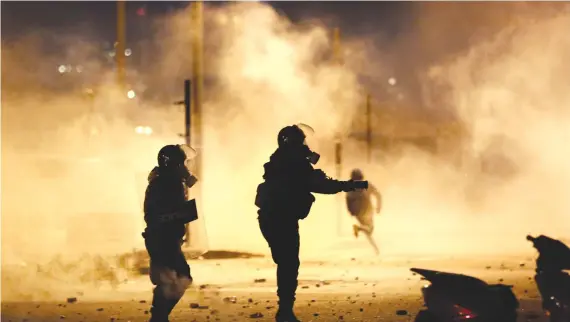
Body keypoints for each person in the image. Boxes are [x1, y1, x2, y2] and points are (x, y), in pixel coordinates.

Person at [255, 124, 368, 322]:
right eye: (300, 142)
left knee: (286, 263)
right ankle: (285, 311)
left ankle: (285, 309)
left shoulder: (280, 160)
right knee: (289, 264)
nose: (304, 146)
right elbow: (321, 185)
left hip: (271, 219)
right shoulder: (293, 163)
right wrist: (348, 185)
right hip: (282, 219)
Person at [142, 144, 199, 322]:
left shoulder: (168, 181)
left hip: (166, 237)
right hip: (162, 238)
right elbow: (153, 215)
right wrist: (178, 215)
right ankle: (159, 316)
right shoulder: (164, 184)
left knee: (170, 278)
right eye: (182, 163)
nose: (185, 167)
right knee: (178, 277)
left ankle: (159, 316)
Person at [345, 168, 382, 255]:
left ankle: (376, 250)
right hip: (368, 210)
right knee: (369, 229)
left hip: (358, 213)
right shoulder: (367, 185)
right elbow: (378, 195)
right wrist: (378, 207)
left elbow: (348, 200)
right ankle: (359, 228)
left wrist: (351, 212)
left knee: (367, 231)